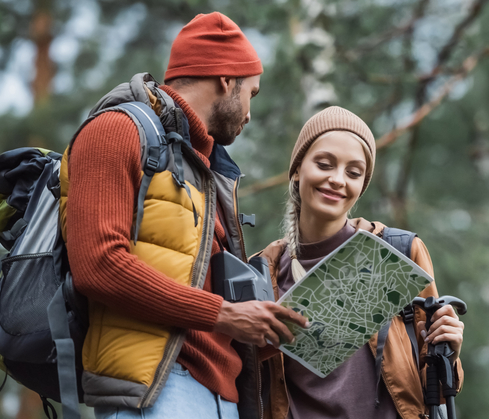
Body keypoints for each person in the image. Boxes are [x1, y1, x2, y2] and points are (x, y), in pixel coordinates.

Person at [61, 12, 307, 419]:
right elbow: (97, 265)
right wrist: (225, 314)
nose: (250, 113)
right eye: (252, 93)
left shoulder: (207, 172)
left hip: (223, 399)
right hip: (160, 393)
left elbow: (207, 304)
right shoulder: (114, 130)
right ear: (226, 79)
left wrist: (267, 328)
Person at [251, 107, 465, 419]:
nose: (337, 180)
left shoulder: (399, 252)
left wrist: (449, 350)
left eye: (353, 173)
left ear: (362, 185)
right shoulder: (260, 273)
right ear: (297, 170)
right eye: (324, 164)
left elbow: (437, 383)